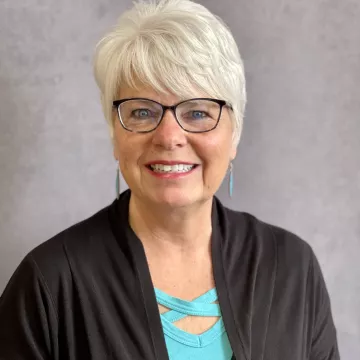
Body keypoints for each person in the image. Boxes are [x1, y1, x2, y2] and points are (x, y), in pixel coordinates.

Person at [0, 0, 340, 359]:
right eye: (142, 112)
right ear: (115, 133)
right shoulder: (49, 284)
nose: (169, 137)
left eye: (197, 112)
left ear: (234, 133)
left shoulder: (290, 269)